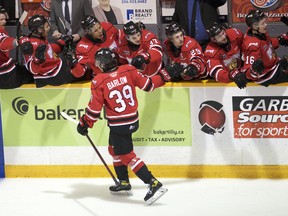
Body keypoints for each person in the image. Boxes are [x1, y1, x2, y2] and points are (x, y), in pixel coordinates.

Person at [76, 48, 185, 204]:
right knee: (113, 149)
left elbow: (94, 108)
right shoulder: (128, 70)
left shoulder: (99, 80)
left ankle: (153, 183)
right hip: (132, 120)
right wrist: (165, 75)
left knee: (127, 155)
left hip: (119, 124)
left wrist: (85, 123)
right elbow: (149, 85)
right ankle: (124, 183)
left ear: (103, 64)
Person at [19, 14, 77, 88]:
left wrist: (61, 43)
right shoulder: (30, 45)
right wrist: (37, 60)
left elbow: (48, 51)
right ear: (39, 29)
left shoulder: (40, 39)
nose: (49, 28)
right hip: (52, 76)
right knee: (81, 70)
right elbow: (32, 69)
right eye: (46, 26)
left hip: (55, 70)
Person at [242, 10, 288, 87]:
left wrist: (282, 38)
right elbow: (247, 73)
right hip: (267, 75)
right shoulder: (253, 46)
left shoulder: (260, 32)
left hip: (274, 65)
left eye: (265, 22)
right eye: (263, 23)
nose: (266, 25)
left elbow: (267, 46)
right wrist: (254, 70)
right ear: (255, 26)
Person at [204, 22, 247, 89]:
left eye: (223, 33)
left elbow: (246, 47)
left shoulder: (235, 34)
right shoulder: (210, 51)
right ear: (213, 39)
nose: (224, 36)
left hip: (241, 74)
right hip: (227, 81)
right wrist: (232, 75)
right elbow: (217, 73)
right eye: (219, 36)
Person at [0, 6, 33, 89]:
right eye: (1, 20)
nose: (4, 22)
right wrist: (17, 41)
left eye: (4, 19)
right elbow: (3, 42)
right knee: (31, 74)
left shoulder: (2, 30)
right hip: (4, 76)